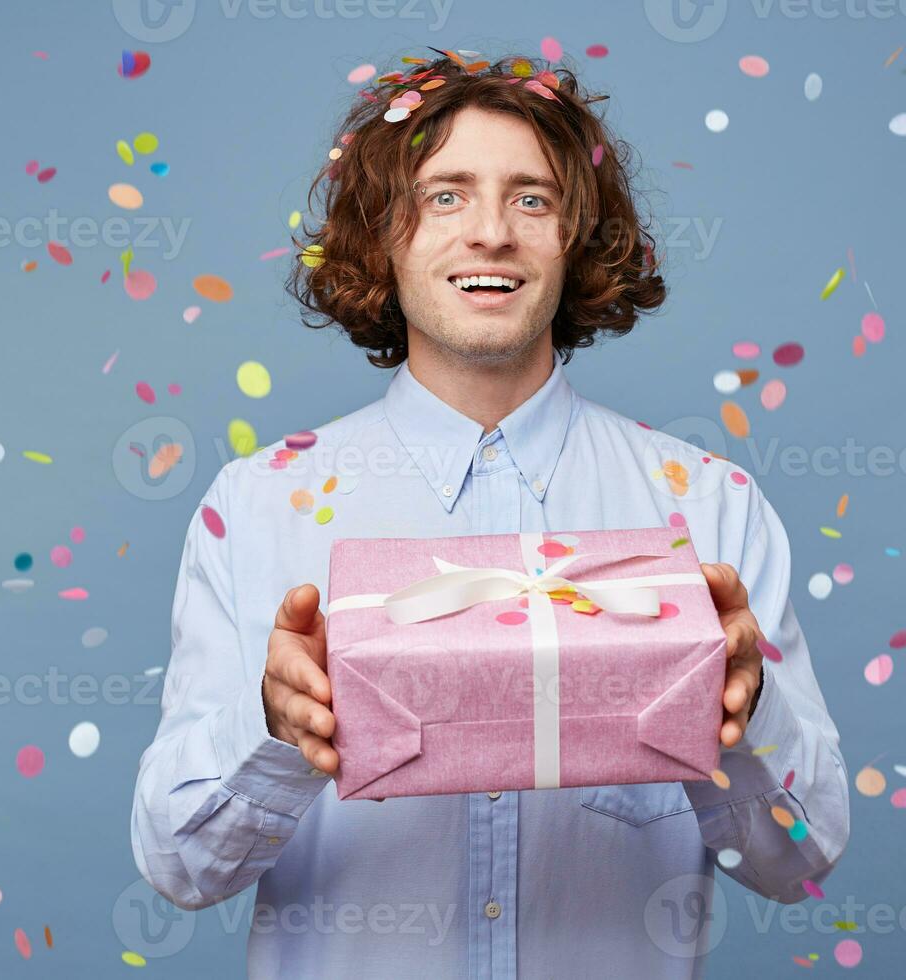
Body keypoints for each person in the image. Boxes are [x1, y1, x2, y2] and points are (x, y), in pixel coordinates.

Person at [131, 51, 849, 978]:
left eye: (533, 200)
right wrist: (274, 733)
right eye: (445, 197)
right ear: (383, 235)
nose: (492, 234)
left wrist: (744, 724)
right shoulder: (259, 505)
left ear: (576, 238)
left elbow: (803, 861)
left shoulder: (707, 508)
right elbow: (180, 868)